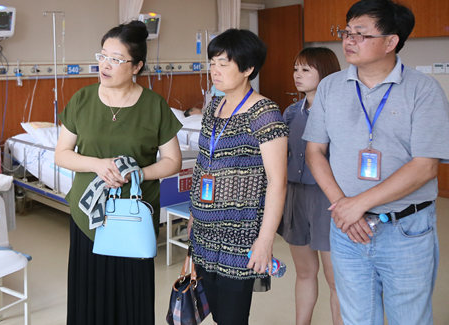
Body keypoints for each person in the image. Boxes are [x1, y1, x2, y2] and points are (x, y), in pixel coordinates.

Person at [304, 0, 449, 325]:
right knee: (356, 318)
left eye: (360, 33)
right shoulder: (330, 87)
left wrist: (359, 204)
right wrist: (343, 206)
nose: (348, 40)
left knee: (408, 318)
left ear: (390, 41)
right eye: (346, 32)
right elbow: (315, 152)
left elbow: (425, 166)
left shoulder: (423, 90)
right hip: (347, 228)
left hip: (405, 229)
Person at [54, 20, 182, 325]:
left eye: (116, 59)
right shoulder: (82, 100)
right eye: (102, 56)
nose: (105, 64)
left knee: (131, 297)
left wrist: (137, 173)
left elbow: (172, 161)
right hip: (88, 217)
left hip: (134, 218)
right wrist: (97, 165)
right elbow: (62, 154)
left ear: (136, 66)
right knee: (89, 297)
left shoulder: (154, 106)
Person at [188, 28, 288, 325]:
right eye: (212, 63)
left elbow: (277, 182)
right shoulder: (214, 107)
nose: (214, 71)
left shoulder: (265, 113)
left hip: (239, 234)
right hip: (205, 231)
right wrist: (193, 214)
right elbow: (202, 164)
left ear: (247, 69)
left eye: (223, 64)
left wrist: (265, 240)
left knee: (232, 317)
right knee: (215, 312)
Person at [277, 48, 343, 325]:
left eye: (305, 69)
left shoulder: (339, 112)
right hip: (295, 196)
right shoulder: (292, 112)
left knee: (336, 279)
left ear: (325, 72)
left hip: (327, 198)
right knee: (304, 272)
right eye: (296, 69)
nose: (297, 75)